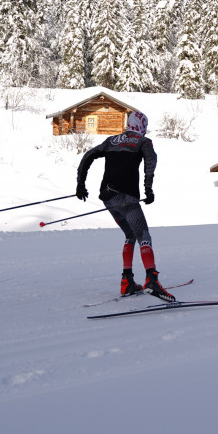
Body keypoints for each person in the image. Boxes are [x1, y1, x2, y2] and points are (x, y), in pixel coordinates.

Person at [76, 109, 175, 303]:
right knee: (143, 235)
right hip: (127, 198)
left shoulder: (112, 140)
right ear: (142, 126)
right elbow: (150, 163)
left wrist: (80, 184)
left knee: (130, 235)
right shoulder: (143, 142)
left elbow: (88, 156)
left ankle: (127, 281)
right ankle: (152, 281)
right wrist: (148, 190)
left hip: (107, 197)